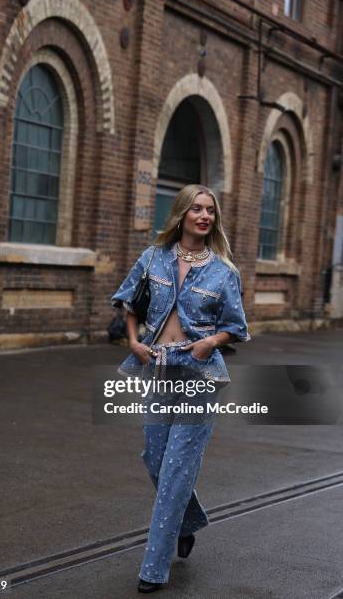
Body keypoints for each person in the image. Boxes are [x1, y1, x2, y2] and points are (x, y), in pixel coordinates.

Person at [111, 184, 250, 593]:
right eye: (198, 209)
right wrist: (134, 342)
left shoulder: (224, 271)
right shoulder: (154, 258)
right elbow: (130, 302)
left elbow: (236, 328)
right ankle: (186, 520)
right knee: (155, 460)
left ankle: (153, 569)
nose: (205, 216)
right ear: (182, 213)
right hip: (158, 369)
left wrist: (210, 342)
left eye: (210, 210)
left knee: (175, 471)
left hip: (200, 376)